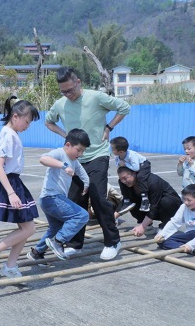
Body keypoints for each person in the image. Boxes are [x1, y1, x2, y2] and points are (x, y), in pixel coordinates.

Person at [45, 67, 131, 260]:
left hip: (97, 155)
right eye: (63, 92)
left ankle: (113, 241)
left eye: (70, 90)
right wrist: (65, 135)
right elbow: (48, 122)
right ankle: (75, 244)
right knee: (75, 201)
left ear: (78, 82)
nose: (68, 94)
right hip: (75, 160)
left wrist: (109, 127)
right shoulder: (60, 104)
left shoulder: (96, 97)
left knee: (98, 198)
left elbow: (124, 107)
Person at [0, 96, 40, 278]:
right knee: (29, 228)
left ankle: (10, 265)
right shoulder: (8, 135)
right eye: (27, 122)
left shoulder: (11, 133)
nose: (28, 126)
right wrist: (11, 193)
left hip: (14, 182)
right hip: (9, 183)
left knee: (27, 228)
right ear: (15, 117)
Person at [27, 129, 90, 265]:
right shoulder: (60, 153)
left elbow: (82, 173)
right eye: (78, 150)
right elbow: (43, 159)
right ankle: (58, 242)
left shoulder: (74, 160)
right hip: (52, 198)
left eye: (83, 151)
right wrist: (63, 166)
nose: (80, 154)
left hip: (51, 199)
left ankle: (37, 253)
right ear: (68, 145)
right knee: (82, 215)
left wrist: (86, 184)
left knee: (56, 227)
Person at [117, 166, 182, 237]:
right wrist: (112, 218)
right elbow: (126, 202)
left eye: (125, 178)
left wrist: (142, 226)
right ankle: (148, 227)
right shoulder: (123, 183)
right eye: (121, 179)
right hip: (152, 207)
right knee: (132, 203)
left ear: (134, 173)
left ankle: (166, 227)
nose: (124, 181)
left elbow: (155, 205)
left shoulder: (152, 181)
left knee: (167, 202)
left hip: (168, 207)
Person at [110, 136, 152, 212]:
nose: (111, 150)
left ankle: (145, 198)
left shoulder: (131, 155)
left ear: (121, 152)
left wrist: (125, 164)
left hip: (143, 164)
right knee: (121, 180)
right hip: (131, 167)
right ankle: (126, 199)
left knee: (140, 177)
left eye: (113, 149)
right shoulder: (118, 157)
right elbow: (119, 166)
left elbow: (136, 168)